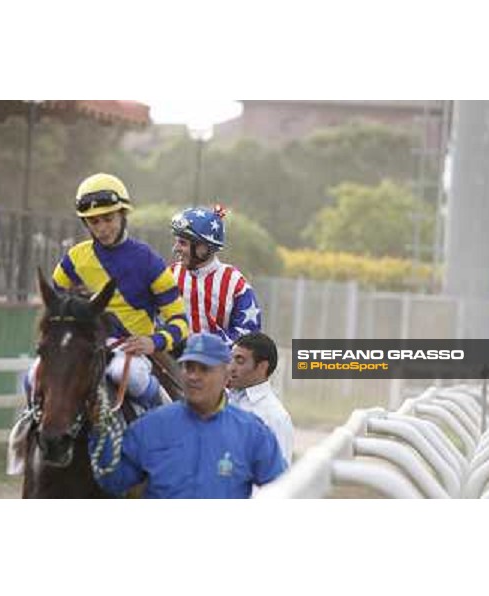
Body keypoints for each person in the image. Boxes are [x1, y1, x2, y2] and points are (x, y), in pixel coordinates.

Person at [30, 173, 189, 409]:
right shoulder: (73, 261)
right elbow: (56, 313)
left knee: (128, 376)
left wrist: (153, 341)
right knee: (31, 378)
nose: (103, 228)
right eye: (94, 222)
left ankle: (163, 419)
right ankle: (27, 433)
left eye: (108, 218)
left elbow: (180, 323)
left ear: (123, 214)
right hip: (85, 349)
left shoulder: (149, 262)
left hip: (133, 352)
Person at [88, 332, 287, 498]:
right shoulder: (149, 427)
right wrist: (100, 430)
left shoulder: (252, 432)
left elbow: (282, 491)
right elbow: (114, 482)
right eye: (189, 367)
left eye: (204, 369)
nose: (194, 376)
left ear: (225, 375)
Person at [170, 205, 261, 347]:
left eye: (182, 243)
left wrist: (212, 352)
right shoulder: (169, 276)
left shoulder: (235, 282)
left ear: (204, 247)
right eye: (176, 241)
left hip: (217, 365)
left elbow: (248, 334)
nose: (175, 248)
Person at [228, 332, 294, 465]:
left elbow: (280, 474)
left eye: (239, 361)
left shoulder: (274, 416)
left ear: (262, 367)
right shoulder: (224, 401)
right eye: (230, 359)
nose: (231, 367)